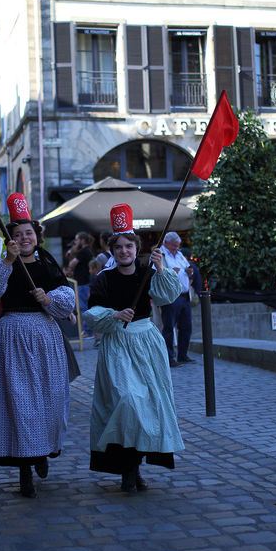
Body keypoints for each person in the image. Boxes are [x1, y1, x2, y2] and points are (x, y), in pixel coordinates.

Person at [0, 193, 76, 498]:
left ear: (37, 235)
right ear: (10, 239)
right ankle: (24, 469)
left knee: (49, 398)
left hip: (45, 336)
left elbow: (67, 298)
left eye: (29, 233)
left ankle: (43, 451)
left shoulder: (47, 261)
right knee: (18, 401)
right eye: (17, 235)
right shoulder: (3, 263)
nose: (24, 238)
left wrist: (49, 299)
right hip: (13, 336)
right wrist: (7, 260)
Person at [84, 204, 184, 493]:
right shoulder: (104, 278)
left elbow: (168, 295)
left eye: (129, 246)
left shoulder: (147, 272)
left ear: (136, 248)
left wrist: (161, 266)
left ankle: (134, 469)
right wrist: (113, 315)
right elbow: (92, 314)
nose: (124, 251)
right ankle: (126, 468)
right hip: (118, 345)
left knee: (147, 406)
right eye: (119, 247)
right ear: (112, 250)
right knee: (126, 402)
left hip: (146, 344)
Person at [160, 232, 194, 367]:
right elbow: (155, 273)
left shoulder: (179, 254)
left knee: (186, 327)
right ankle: (169, 357)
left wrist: (189, 271)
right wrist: (169, 272)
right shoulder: (160, 255)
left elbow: (187, 267)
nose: (176, 248)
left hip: (184, 296)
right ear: (166, 243)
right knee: (168, 327)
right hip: (171, 296)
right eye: (173, 246)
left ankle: (182, 354)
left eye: (177, 246)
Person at [66, 231, 95, 314]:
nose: (75, 242)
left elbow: (71, 264)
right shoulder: (88, 250)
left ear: (82, 240)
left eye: (77, 240)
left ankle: (85, 327)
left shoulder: (83, 251)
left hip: (83, 283)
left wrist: (72, 252)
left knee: (83, 308)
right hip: (85, 282)